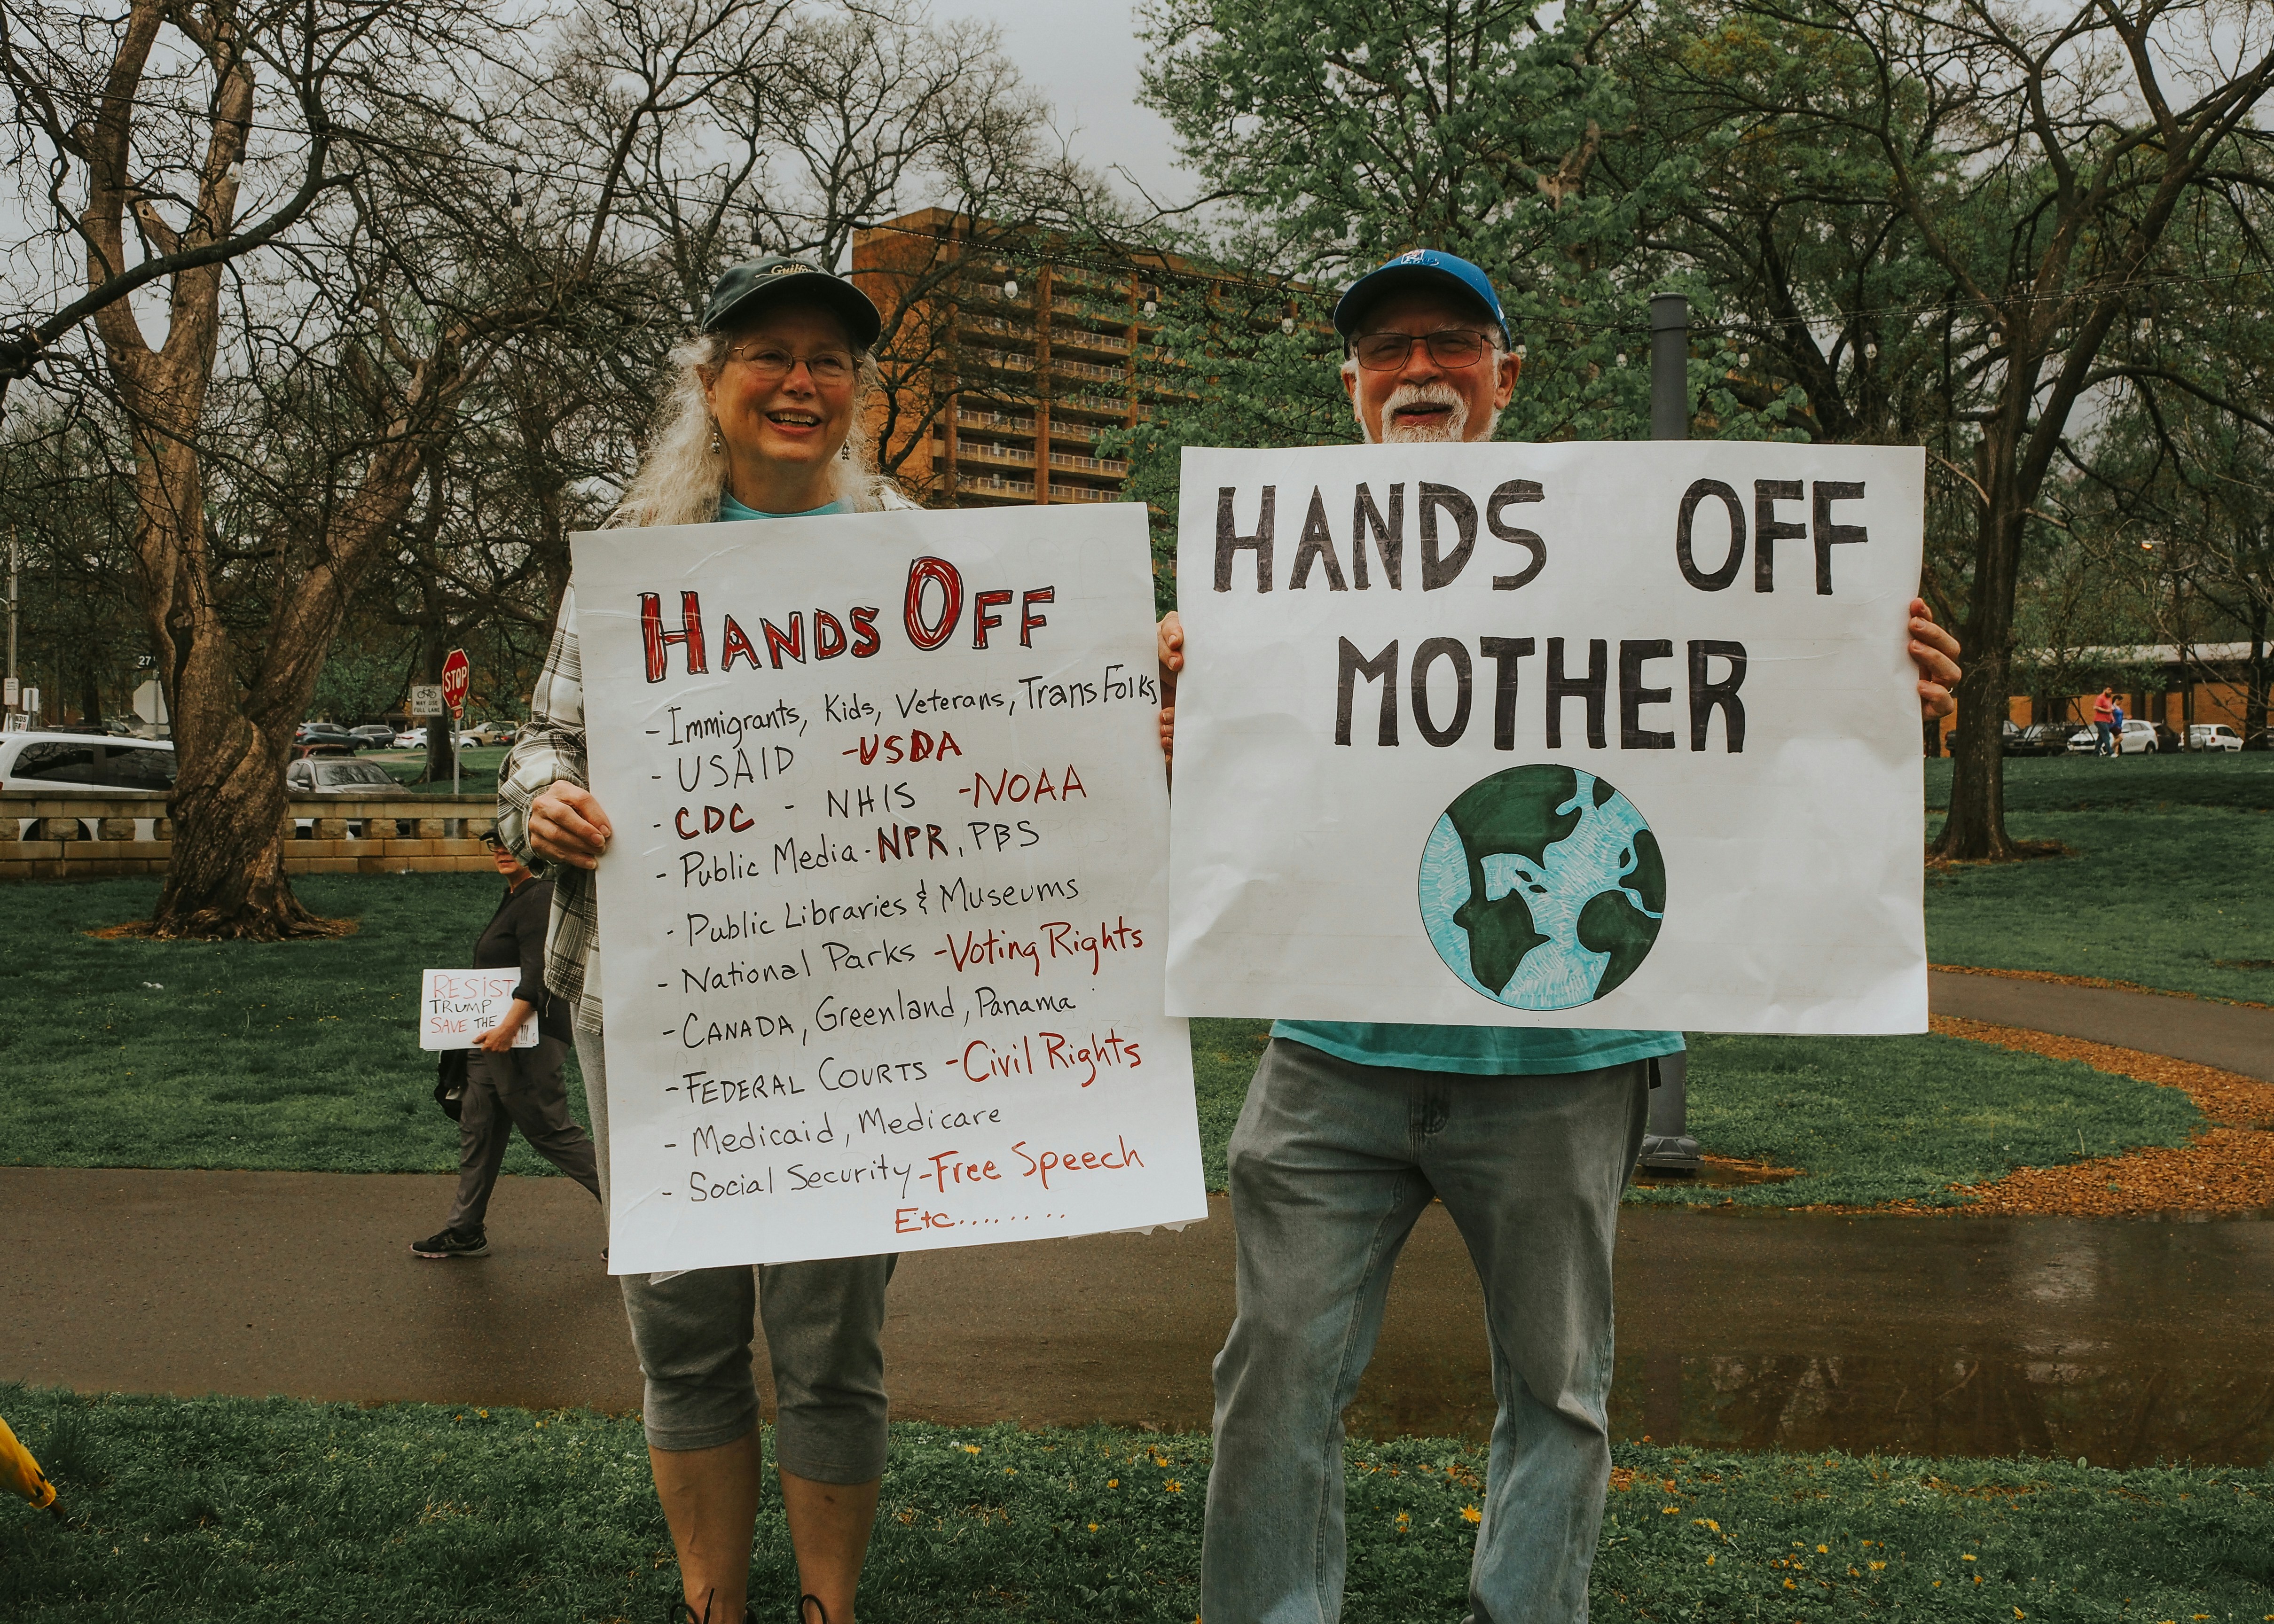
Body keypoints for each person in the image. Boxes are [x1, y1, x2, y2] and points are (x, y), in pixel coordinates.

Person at [1155, 249, 1963, 1624]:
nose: (1419, 369)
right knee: (1271, 1375)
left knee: (1558, 1391)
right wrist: (1182, 715)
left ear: (1506, 374)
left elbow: (1750, 708)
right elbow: (1228, 813)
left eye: (1451, 343)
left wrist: (1875, 693)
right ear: (1349, 384)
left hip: (1559, 1065)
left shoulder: (1629, 557)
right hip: (1329, 1060)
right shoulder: (1274, 571)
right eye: (1388, 348)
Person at [495, 256, 912, 1624]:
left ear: (855, 391)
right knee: (682, 1329)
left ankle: (829, 1610)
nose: (800, 382)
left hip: (855, 1011)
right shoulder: (636, 557)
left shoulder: (919, 555)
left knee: (831, 1338)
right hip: (655, 1005)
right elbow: (538, 741)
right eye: (768, 355)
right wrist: (540, 801)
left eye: (829, 360)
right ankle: (712, 1606)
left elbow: (1017, 715)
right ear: (710, 381)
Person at [411, 829, 599, 1259]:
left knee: (551, 1133)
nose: (501, 850)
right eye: (493, 843)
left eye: (510, 843)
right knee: (479, 1129)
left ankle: (639, 1222)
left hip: (525, 1041)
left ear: (533, 848)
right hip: (490, 1043)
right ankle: (464, 1230)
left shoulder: (540, 895)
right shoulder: (515, 895)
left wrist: (508, 1029)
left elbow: (538, 974)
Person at [2094, 687, 2117, 756]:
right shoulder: (2100, 698)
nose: (2110, 692)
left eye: (2111, 690)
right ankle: (2110, 753)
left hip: (2107, 721)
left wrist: (2112, 718)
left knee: (2101, 738)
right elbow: (2096, 707)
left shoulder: (2108, 699)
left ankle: (2096, 753)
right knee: (2107, 736)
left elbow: (2110, 710)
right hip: (2100, 720)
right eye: (2109, 690)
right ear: (2104, 690)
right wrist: (2107, 711)